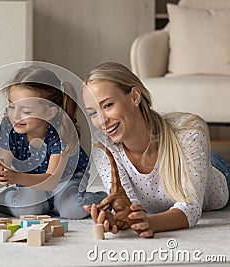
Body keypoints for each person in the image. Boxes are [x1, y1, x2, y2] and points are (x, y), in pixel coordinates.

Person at [82, 62, 230, 237]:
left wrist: (148, 223)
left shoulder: (189, 131)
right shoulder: (103, 147)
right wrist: (122, 218)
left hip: (216, 170)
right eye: (93, 113)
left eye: (107, 106)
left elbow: (191, 208)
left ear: (135, 96)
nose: (102, 121)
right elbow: (131, 208)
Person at [0, 66, 107, 219]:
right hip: (28, 179)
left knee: (71, 211)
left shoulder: (61, 131)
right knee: (26, 210)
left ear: (50, 112)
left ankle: (102, 198)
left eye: (26, 111)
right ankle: (20, 200)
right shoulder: (8, 127)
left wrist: (15, 177)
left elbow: (51, 181)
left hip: (65, 179)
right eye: (11, 106)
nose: (15, 115)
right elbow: (3, 163)